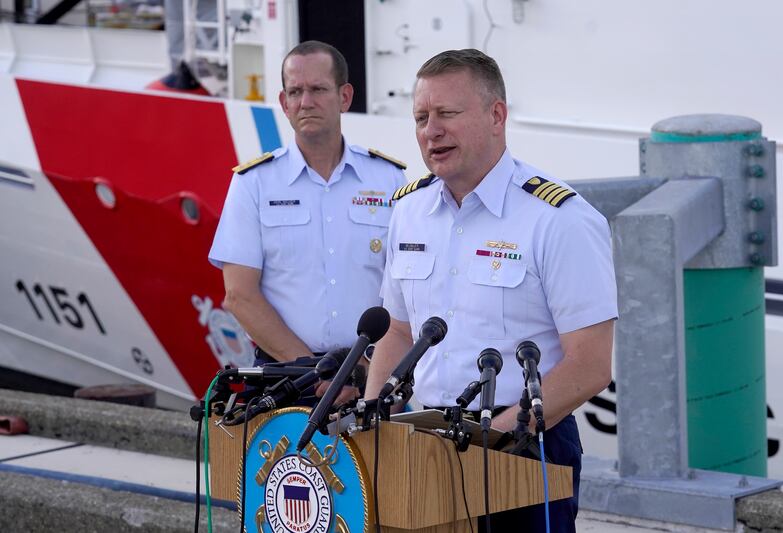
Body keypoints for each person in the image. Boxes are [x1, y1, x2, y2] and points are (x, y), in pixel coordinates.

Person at [364, 49, 617, 532]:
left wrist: (490, 439)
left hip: (525, 446)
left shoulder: (557, 218)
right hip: (422, 441)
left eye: (447, 114)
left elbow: (589, 365)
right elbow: (397, 331)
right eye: (421, 117)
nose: (430, 130)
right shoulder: (409, 211)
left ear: (496, 115)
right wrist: (375, 421)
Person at [209, 41, 406, 383]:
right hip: (284, 377)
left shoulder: (389, 178)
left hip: (370, 376)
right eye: (295, 91)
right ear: (284, 103)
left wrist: (366, 373)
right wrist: (319, 372)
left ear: (345, 97)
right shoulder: (253, 183)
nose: (306, 102)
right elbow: (239, 295)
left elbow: (407, 288)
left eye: (318, 89)